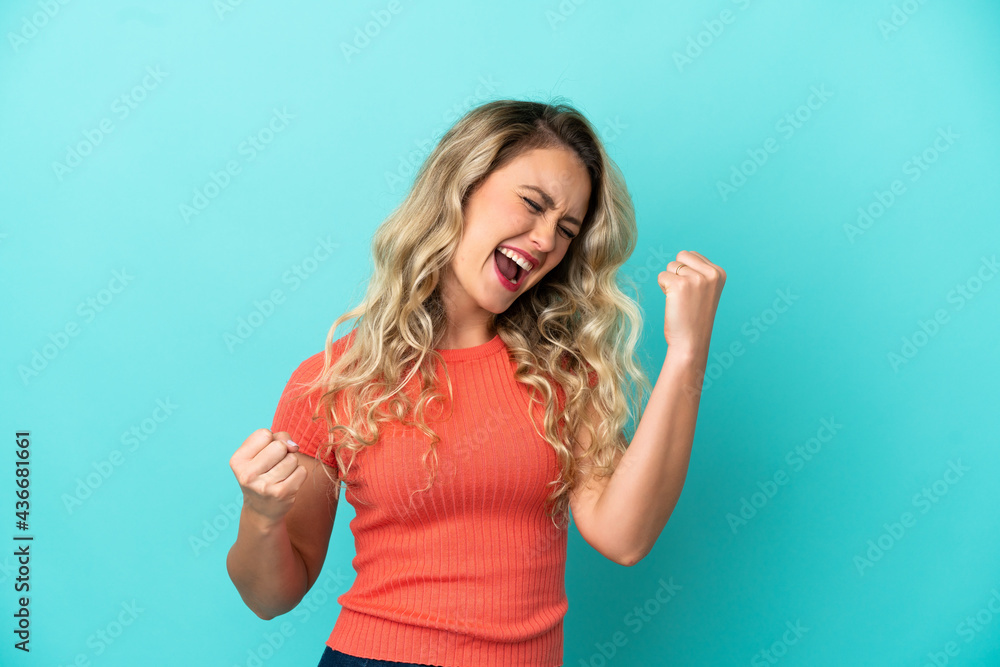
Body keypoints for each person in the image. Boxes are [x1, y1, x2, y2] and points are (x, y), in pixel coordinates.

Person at [226, 98, 726, 667]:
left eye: (566, 229)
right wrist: (260, 516)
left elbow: (625, 537)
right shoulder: (337, 377)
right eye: (532, 205)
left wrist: (687, 352)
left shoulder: (564, 377)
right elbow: (270, 598)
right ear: (459, 188)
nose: (544, 240)